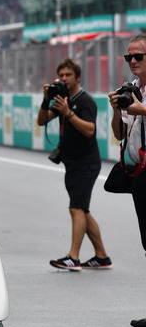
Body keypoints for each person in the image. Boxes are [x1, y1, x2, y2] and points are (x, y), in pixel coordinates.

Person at [37, 58, 110, 272]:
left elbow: (89, 130)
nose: (64, 79)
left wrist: (68, 113)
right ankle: (102, 256)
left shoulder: (84, 100)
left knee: (76, 208)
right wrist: (46, 101)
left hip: (86, 162)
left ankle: (73, 257)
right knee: (83, 211)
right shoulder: (63, 99)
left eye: (68, 75)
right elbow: (42, 121)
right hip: (72, 162)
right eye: (61, 76)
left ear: (77, 77)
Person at [109, 33, 146, 327]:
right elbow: (119, 134)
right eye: (128, 57)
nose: (132, 61)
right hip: (139, 173)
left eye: (139, 57)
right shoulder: (130, 90)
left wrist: (140, 109)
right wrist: (116, 110)